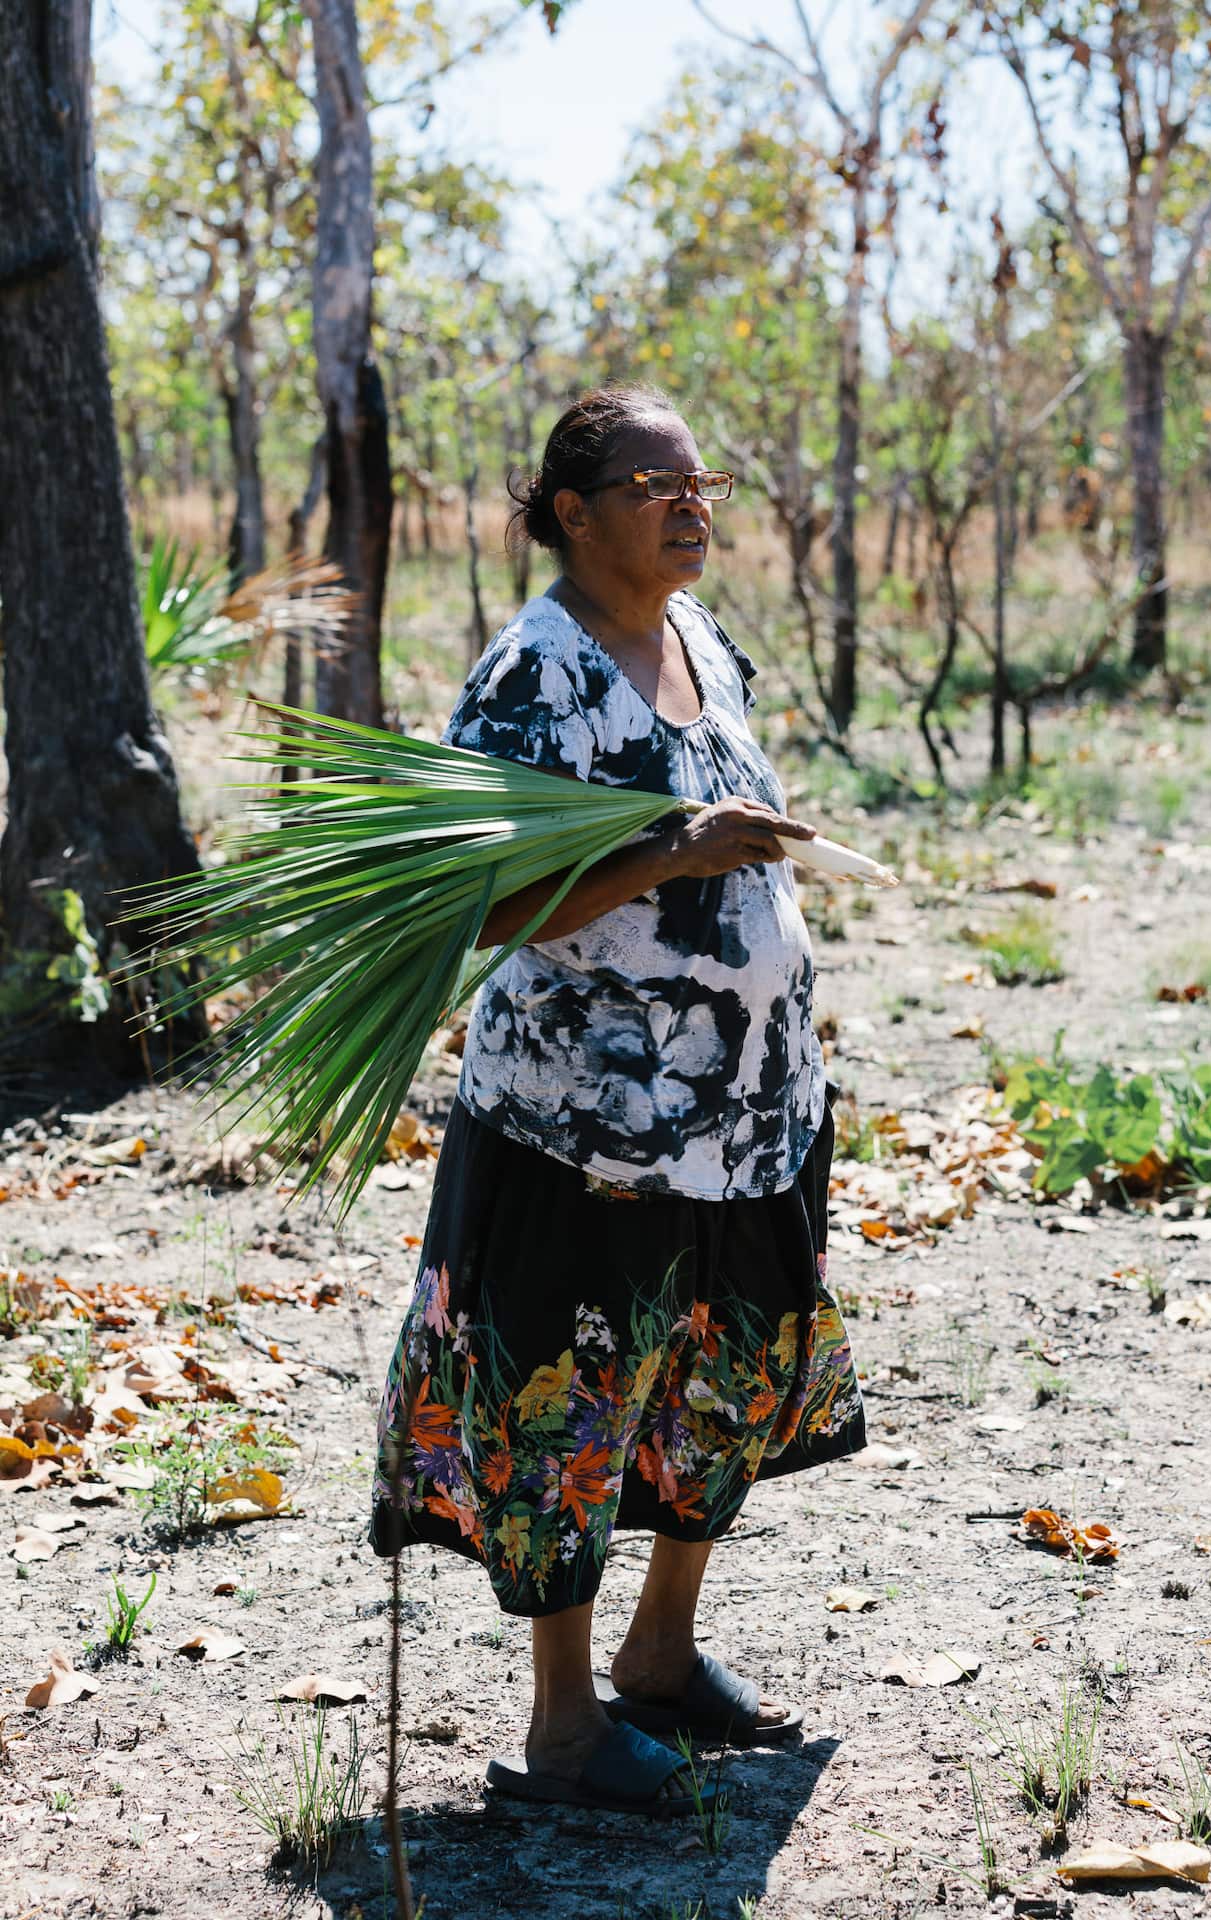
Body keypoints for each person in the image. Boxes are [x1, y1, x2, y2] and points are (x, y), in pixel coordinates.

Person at [370, 384, 865, 1817]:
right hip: (587, 1130)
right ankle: (562, 1729)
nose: (690, 502)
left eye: (701, 481)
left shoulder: (700, 637)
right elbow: (487, 910)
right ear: (573, 514)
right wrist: (672, 858)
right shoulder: (533, 674)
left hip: (749, 1116)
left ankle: (662, 1654)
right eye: (655, 485)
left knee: (716, 1380)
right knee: (570, 1402)